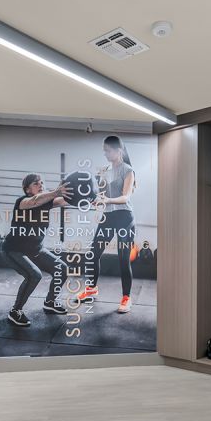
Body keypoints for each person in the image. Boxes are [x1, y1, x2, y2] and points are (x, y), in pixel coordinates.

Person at [3, 174, 72, 327]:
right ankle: (15, 311)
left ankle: (50, 302)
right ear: (27, 189)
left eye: (42, 183)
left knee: (62, 269)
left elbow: (68, 200)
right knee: (34, 275)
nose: (40, 185)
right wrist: (56, 192)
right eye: (36, 183)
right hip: (14, 250)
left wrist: (89, 196)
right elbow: (35, 201)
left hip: (36, 250)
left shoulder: (47, 202)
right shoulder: (22, 202)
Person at [77, 135, 136, 314]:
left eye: (108, 150)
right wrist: (94, 199)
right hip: (108, 217)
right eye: (104, 151)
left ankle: (126, 298)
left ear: (119, 151)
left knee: (123, 259)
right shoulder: (104, 170)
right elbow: (101, 194)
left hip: (124, 217)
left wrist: (107, 200)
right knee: (93, 254)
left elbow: (125, 197)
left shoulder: (128, 170)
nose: (105, 154)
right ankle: (91, 289)